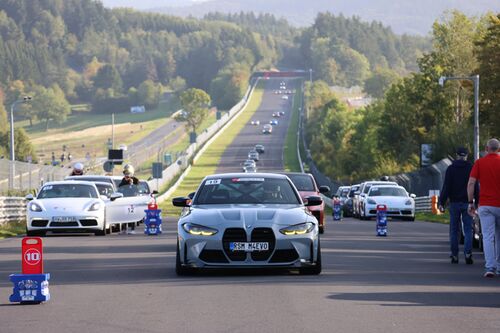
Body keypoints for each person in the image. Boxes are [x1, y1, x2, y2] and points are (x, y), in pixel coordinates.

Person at [467, 138, 500, 278]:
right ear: (498, 149)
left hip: (486, 205)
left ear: (486, 149)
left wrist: (470, 202)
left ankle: (490, 267)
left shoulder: (480, 163)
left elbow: (471, 183)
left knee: (487, 237)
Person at [439, 147, 474, 264]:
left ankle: (454, 255)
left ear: (456, 155)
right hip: (467, 202)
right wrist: (477, 201)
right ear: (466, 156)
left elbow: (446, 187)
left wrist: (441, 203)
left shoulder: (451, 169)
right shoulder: (471, 168)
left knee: (454, 230)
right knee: (468, 229)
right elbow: (474, 185)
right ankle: (468, 253)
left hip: (454, 203)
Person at [119, 164, 139, 234]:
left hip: (132, 200)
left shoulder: (135, 180)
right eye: (126, 173)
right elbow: (120, 186)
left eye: (128, 173)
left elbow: (137, 190)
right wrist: (125, 181)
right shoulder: (123, 180)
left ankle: (132, 229)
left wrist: (132, 184)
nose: (127, 175)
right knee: (124, 215)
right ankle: (124, 229)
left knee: (132, 214)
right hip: (125, 199)